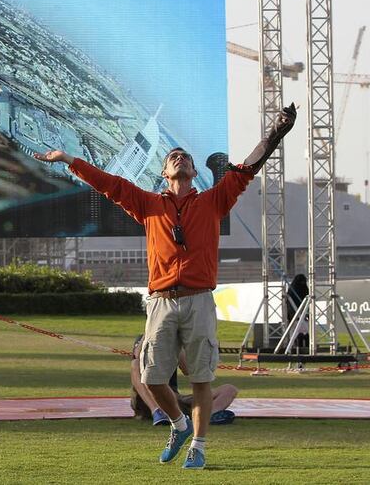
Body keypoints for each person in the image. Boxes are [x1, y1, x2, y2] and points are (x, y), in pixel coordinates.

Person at [35, 103, 296, 470]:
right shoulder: (149, 204)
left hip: (199, 300)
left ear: (191, 172)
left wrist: (275, 134)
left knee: (202, 378)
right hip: (160, 301)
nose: (180, 158)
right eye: (174, 156)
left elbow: (246, 169)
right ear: (164, 172)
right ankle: (179, 424)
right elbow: (111, 185)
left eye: (184, 157)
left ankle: (199, 447)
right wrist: (69, 159)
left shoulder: (212, 201)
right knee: (152, 377)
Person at [130, 335, 237, 426]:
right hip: (146, 400)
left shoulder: (175, 343)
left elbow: (188, 371)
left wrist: (178, 345)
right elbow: (137, 355)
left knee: (229, 389)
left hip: (172, 398)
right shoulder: (145, 339)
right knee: (135, 364)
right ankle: (157, 412)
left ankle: (206, 416)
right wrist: (149, 332)